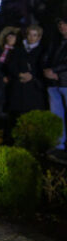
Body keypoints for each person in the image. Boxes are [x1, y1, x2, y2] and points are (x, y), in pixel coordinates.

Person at [7, 24, 46, 141]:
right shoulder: (18, 50)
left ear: (39, 37)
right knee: (17, 119)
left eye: (35, 35)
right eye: (30, 34)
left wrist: (32, 76)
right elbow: (11, 66)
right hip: (18, 89)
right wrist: (19, 74)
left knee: (33, 120)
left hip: (34, 90)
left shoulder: (42, 50)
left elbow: (43, 67)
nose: (31, 38)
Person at [43, 18, 67, 157]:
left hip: (64, 82)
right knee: (56, 116)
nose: (62, 27)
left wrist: (54, 71)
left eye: (65, 24)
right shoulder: (56, 42)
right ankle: (58, 144)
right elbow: (45, 57)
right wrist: (47, 71)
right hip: (53, 83)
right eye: (60, 24)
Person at [0, 26, 19, 127]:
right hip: (0, 82)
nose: (10, 39)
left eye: (13, 37)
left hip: (13, 83)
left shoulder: (19, 51)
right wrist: (2, 76)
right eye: (9, 37)